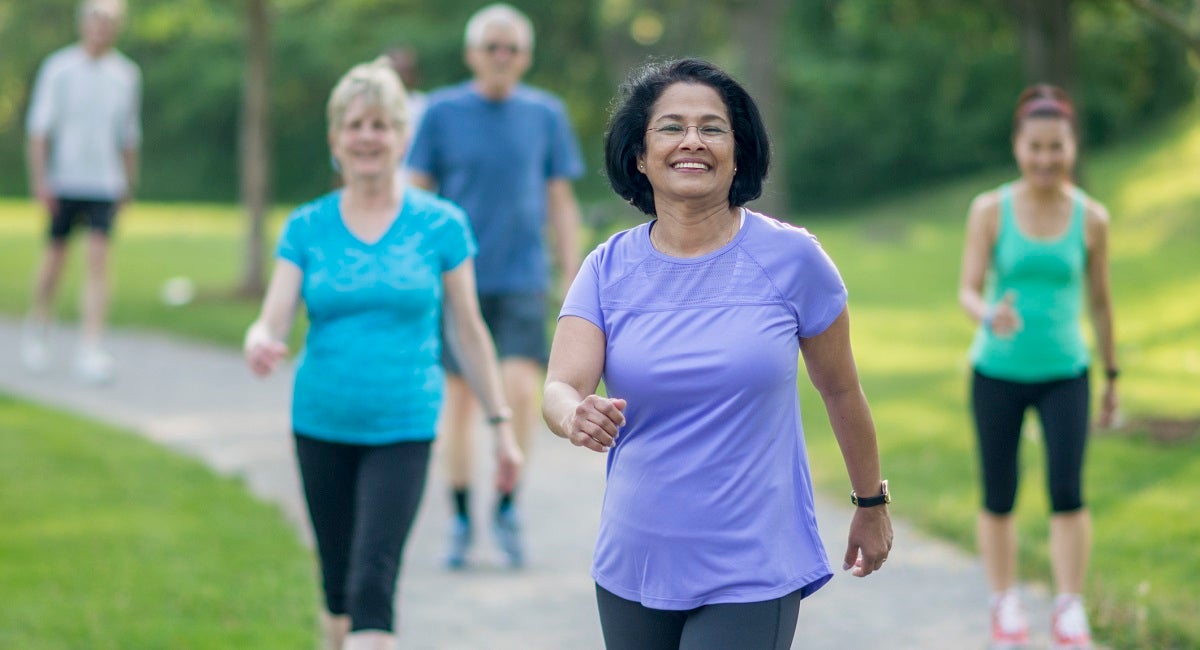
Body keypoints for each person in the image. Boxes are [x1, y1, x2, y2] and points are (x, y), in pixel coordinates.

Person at [542, 58, 893, 650]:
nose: (693, 142)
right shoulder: (607, 268)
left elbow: (840, 389)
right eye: (672, 127)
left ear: (738, 152)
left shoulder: (793, 259)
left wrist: (870, 502)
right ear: (638, 154)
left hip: (753, 561)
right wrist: (574, 414)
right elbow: (559, 387)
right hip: (635, 562)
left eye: (712, 128)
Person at [243, 58, 522, 650]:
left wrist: (503, 427)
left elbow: (468, 330)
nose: (367, 136)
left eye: (380, 124)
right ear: (335, 139)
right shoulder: (307, 226)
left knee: (374, 583)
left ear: (401, 137)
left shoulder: (441, 225)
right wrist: (260, 341)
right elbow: (272, 316)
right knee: (338, 590)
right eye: (355, 124)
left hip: (404, 424)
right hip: (321, 422)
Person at [407, 2, 585, 569]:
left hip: (522, 277)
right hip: (456, 281)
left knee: (518, 393)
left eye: (511, 48)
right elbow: (416, 194)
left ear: (526, 56)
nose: (502, 57)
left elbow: (560, 200)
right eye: (492, 47)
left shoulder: (545, 114)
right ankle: (460, 515)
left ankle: (507, 500)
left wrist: (574, 276)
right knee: (459, 401)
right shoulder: (440, 112)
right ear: (472, 54)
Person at [958, 84, 1118, 650]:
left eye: (1057, 147)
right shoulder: (989, 210)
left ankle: (1069, 608)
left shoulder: (1091, 218)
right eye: (1036, 147)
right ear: (1018, 146)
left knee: (1067, 491)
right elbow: (968, 290)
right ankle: (1005, 604)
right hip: (996, 372)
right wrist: (988, 314)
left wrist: (1113, 375)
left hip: (1066, 372)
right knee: (999, 492)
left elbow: (1100, 302)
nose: (1046, 158)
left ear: (1072, 147)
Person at [21, 0, 141, 383]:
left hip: (104, 182)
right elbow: (39, 130)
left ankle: (90, 345)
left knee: (98, 262)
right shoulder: (59, 69)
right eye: (96, 19)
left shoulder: (126, 74)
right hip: (65, 181)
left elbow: (128, 135)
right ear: (83, 23)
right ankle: (38, 326)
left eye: (109, 21)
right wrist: (41, 180)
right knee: (55, 259)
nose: (101, 27)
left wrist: (128, 182)